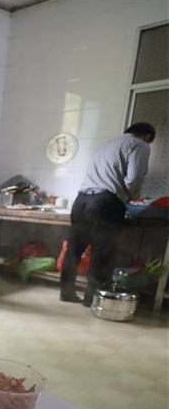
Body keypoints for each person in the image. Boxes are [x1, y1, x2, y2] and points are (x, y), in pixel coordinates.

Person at [60, 122, 155, 306]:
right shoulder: (140, 145)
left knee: (74, 249)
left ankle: (66, 291)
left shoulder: (105, 145)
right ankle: (92, 298)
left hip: (81, 201)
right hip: (104, 203)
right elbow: (134, 178)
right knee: (101, 252)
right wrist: (133, 196)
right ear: (148, 137)